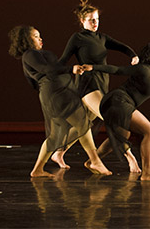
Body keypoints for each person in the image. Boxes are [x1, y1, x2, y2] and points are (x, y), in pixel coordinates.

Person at [8, 25, 113, 177]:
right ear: (26, 40)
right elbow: (47, 71)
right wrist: (70, 70)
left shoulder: (37, 54)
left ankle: (37, 169)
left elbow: (47, 73)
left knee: (57, 135)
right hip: (56, 95)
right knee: (82, 121)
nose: (40, 39)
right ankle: (95, 160)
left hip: (60, 92)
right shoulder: (29, 54)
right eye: (36, 36)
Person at [50, 0, 140, 170]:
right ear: (82, 21)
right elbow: (62, 62)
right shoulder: (77, 38)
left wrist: (133, 55)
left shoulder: (102, 37)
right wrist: (71, 69)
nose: (95, 23)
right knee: (113, 118)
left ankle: (58, 152)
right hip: (87, 86)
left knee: (84, 124)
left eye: (97, 19)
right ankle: (130, 158)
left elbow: (123, 47)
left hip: (101, 84)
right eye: (91, 20)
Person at [85, 42, 150, 181]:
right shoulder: (144, 69)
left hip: (118, 102)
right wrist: (93, 67)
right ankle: (147, 173)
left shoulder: (149, 73)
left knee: (122, 135)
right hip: (119, 101)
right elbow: (118, 70)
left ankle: (92, 161)